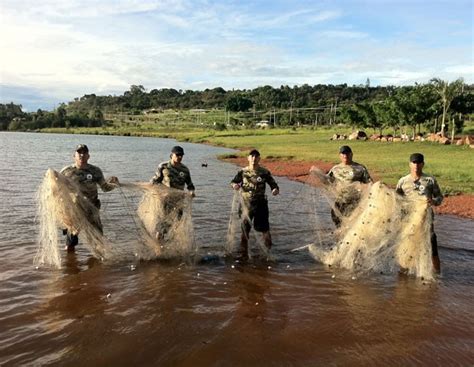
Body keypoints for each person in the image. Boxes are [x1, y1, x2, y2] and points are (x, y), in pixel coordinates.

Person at [60, 144, 119, 252]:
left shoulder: (95, 171)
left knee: (98, 240)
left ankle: (98, 262)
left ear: (88, 156)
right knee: (70, 244)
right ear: (74, 156)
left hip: (92, 210)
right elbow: (58, 189)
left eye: (85, 153)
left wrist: (114, 184)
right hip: (75, 210)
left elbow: (105, 188)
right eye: (79, 153)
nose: (82, 155)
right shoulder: (66, 171)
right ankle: (70, 265)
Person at [396, 153, 443, 273]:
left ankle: (437, 274)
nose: (416, 165)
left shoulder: (430, 180)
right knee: (407, 245)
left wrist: (433, 201)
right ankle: (403, 272)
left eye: (418, 162)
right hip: (408, 219)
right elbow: (397, 200)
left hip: (426, 218)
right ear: (409, 164)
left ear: (423, 164)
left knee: (431, 244)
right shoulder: (403, 181)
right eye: (413, 162)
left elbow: (440, 198)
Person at [231, 149, 279, 259]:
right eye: (252, 156)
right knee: (245, 231)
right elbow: (233, 182)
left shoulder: (264, 172)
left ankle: (268, 254)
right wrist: (235, 186)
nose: (254, 159)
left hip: (261, 204)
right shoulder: (242, 172)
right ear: (248, 158)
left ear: (259, 159)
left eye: (256, 157)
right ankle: (244, 255)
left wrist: (275, 190)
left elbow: (273, 184)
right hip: (245, 205)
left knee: (265, 230)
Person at [150, 146, 195, 239]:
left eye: (181, 155)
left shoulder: (185, 170)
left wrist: (192, 192)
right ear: (172, 155)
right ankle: (158, 242)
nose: (180, 157)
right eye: (177, 155)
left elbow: (190, 185)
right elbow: (154, 181)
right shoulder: (163, 166)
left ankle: (171, 243)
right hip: (165, 199)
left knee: (177, 222)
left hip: (179, 201)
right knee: (163, 221)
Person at [325, 145, 372, 226]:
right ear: (340, 156)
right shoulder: (335, 169)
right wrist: (316, 173)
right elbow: (327, 181)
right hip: (340, 201)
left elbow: (369, 183)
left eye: (347, 153)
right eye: (343, 154)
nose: (345, 156)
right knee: (338, 223)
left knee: (353, 225)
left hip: (355, 202)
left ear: (351, 154)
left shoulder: (360, 168)